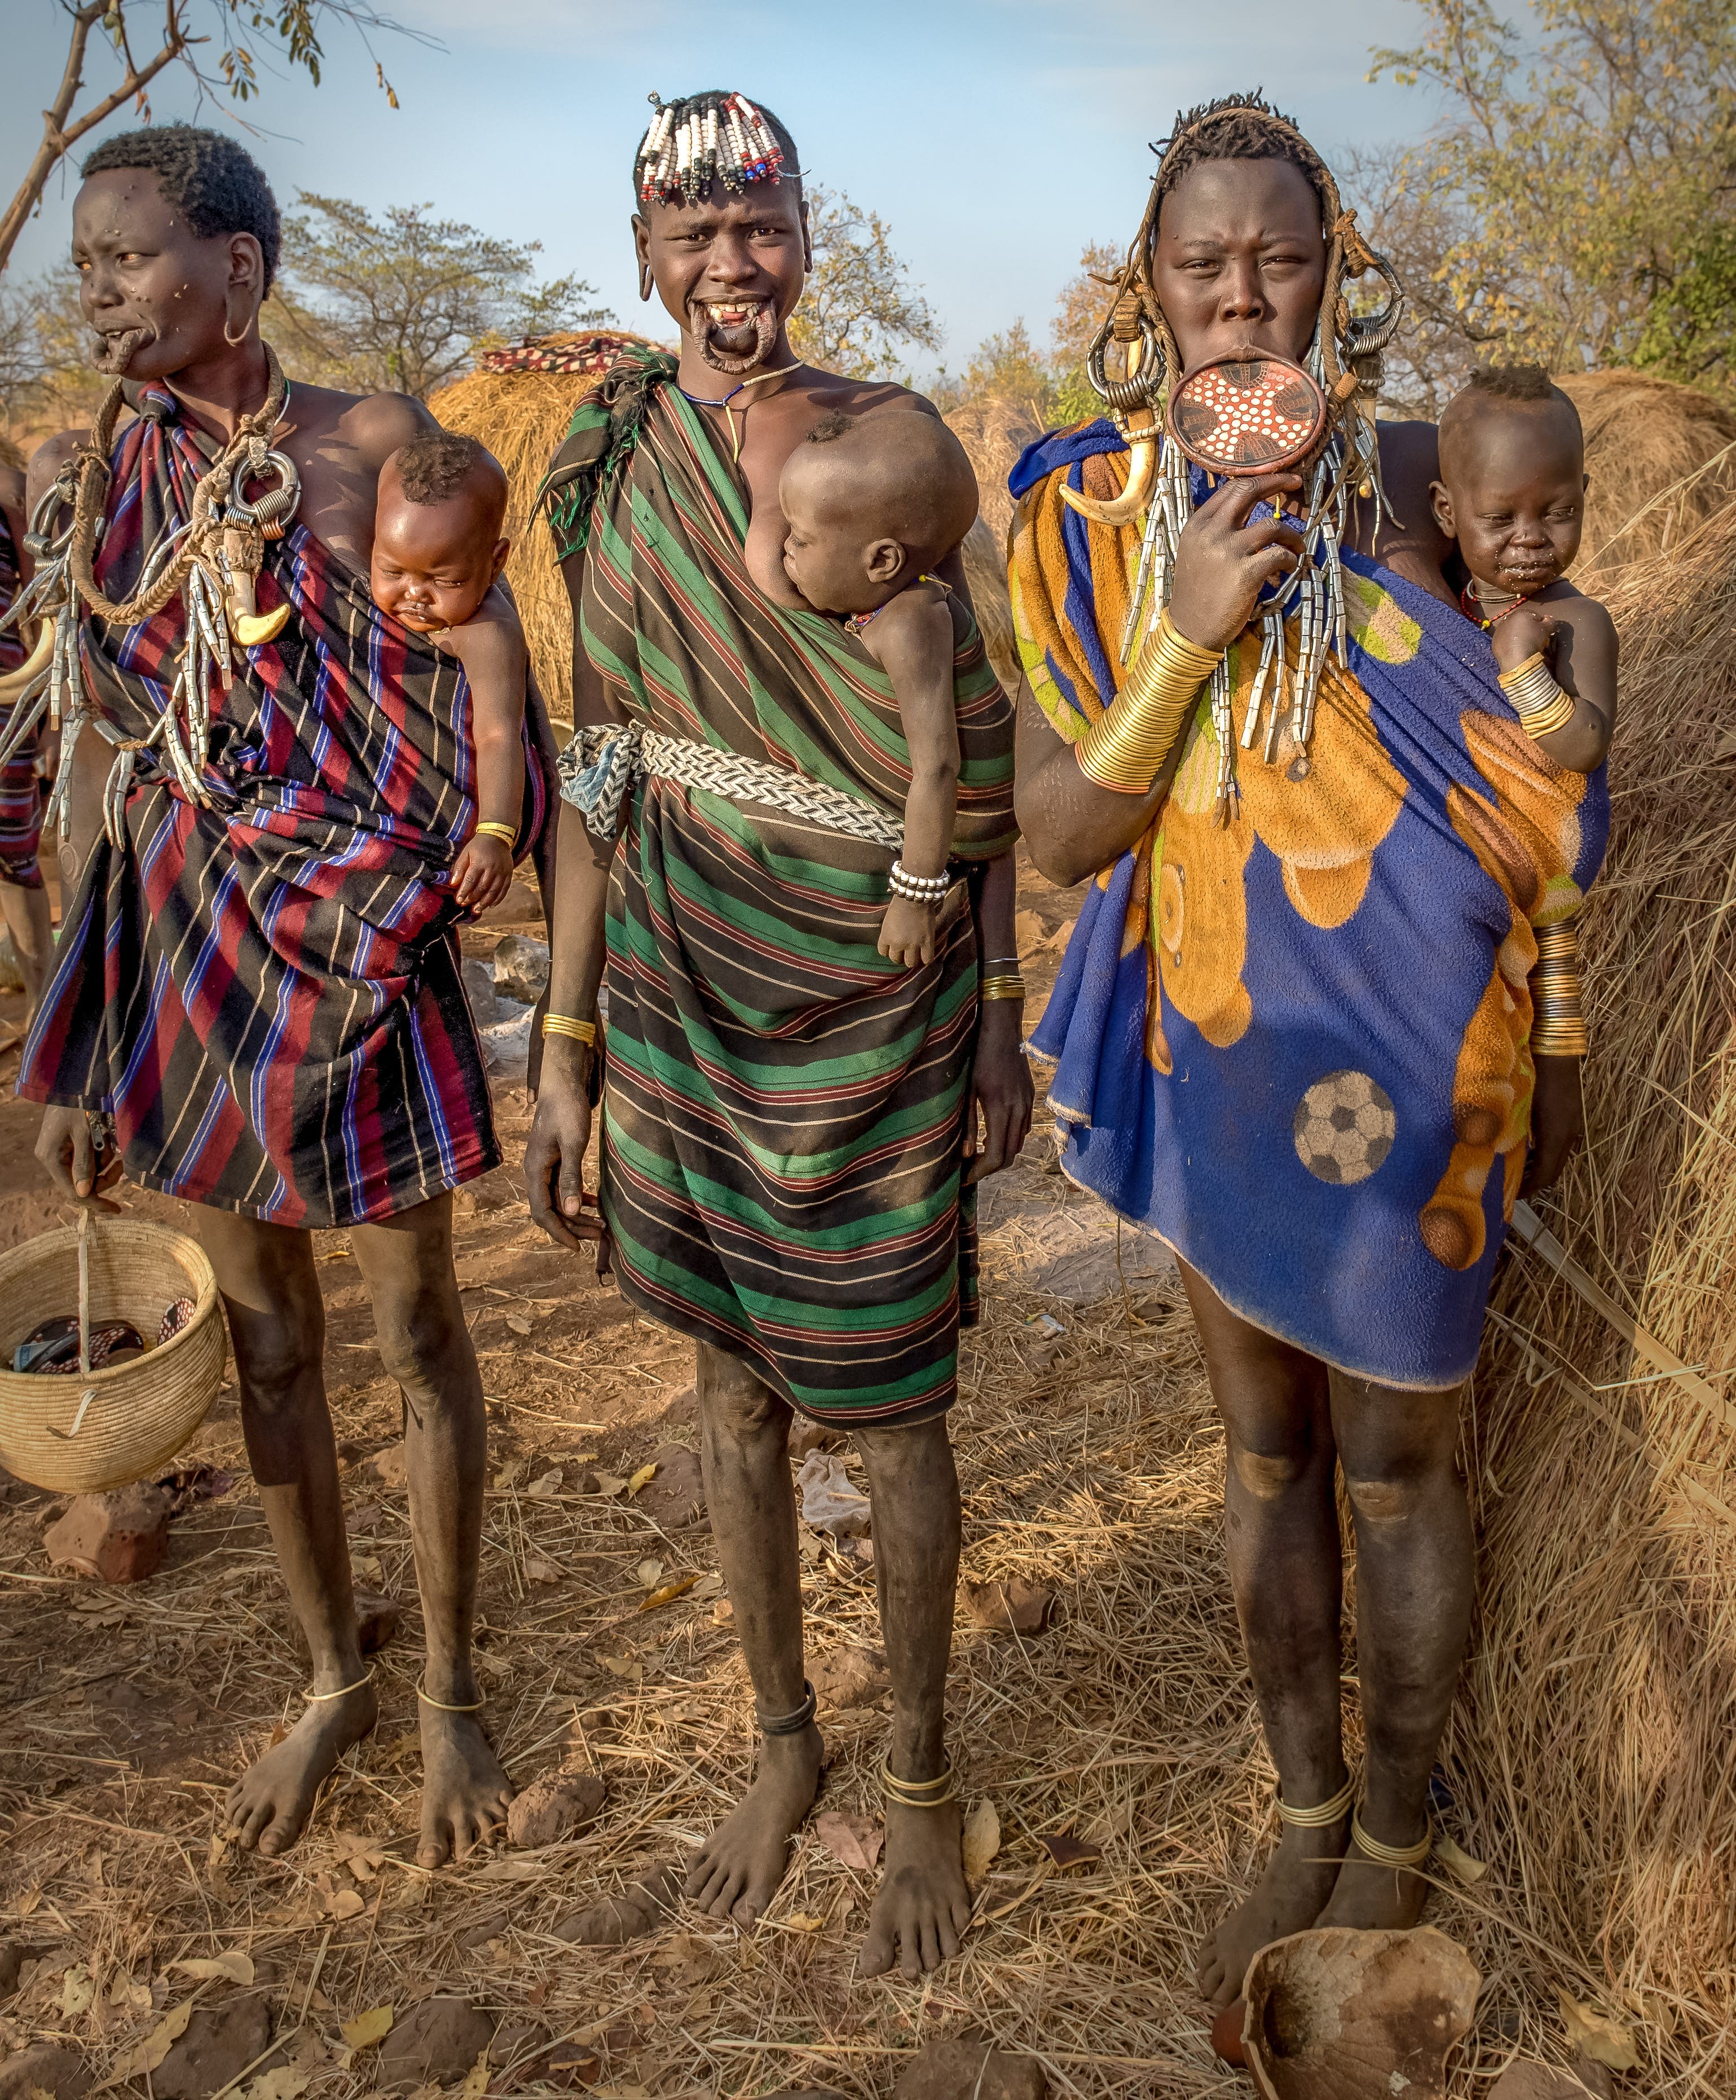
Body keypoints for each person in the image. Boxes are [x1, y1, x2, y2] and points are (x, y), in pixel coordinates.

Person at [1006, 94, 1609, 2026]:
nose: (1242, 298)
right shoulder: (1087, 515)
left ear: (1332, 263)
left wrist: (1564, 1001)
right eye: (1204, 265)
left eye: (1278, 256)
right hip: (1224, 1041)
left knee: (1400, 1461)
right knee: (1263, 1459)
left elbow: (1561, 727)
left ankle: (1399, 1837)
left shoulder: (1438, 474)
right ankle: (1299, 1800)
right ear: (1147, 286)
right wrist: (1184, 631)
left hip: (1426, 1066)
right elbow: (1056, 835)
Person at [523, 88, 1031, 1978]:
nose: (727, 260)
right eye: (690, 230)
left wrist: (988, 1012)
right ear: (640, 253)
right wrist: (565, 1036)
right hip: (672, 982)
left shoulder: (871, 453)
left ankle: (910, 1777)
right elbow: (600, 758)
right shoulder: (608, 465)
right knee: (728, 1391)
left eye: (760, 224)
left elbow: (961, 752)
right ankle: (779, 1742)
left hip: (878, 1004)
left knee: (894, 1414)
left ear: (808, 236)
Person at [20, 123, 553, 1867]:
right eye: (83, 261)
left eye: (124, 257)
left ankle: (457, 1681)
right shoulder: (104, 479)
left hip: (362, 944)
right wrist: (81, 1033)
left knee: (413, 1330)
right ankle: (334, 1669)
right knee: (264, 1338)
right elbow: (104, 756)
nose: (91, 287)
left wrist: (466, 855)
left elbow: (490, 686)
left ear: (238, 270)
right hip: (185, 943)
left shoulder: (381, 450)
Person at [747, 408, 982, 965]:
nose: (785, 547)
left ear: (881, 560)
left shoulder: (909, 624)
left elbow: (936, 766)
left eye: (801, 539)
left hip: (899, 877)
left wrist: (914, 895)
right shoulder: (870, 610)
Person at [371, 430, 528, 914]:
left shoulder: (487, 634)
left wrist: (495, 835)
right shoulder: (351, 595)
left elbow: (500, 734)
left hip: (436, 830)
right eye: (392, 572)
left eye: (445, 580)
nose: (414, 594)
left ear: (496, 562)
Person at [1431, 364, 1616, 775]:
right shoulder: (1442, 588)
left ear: (1583, 498)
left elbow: (1585, 748)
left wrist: (1520, 665)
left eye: (1560, 512)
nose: (1531, 537)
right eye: (1499, 519)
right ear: (1447, 512)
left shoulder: (1577, 619)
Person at [0, 453, 54, 1009]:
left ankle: (46, 1013)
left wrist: (55, 719)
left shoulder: (11, 489)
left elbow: (43, 607)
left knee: (14, 854)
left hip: (7, 700)